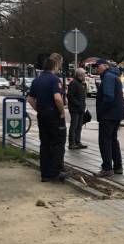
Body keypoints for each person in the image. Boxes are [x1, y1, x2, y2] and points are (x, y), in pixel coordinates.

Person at [27, 53, 66, 182]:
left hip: (42, 115)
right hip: (54, 115)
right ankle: (56, 172)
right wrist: (61, 112)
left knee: (45, 144)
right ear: (54, 66)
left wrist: (38, 109)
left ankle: (45, 174)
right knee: (58, 143)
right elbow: (57, 98)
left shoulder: (36, 80)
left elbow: (30, 98)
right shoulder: (54, 80)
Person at [94, 59, 124, 177]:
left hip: (108, 115)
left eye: (98, 66)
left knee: (105, 141)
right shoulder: (114, 76)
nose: (96, 68)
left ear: (105, 66)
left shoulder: (107, 77)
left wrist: (101, 111)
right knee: (113, 140)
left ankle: (107, 168)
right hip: (116, 114)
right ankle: (118, 166)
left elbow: (108, 97)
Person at [67, 68, 88, 150]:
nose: (84, 76)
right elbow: (70, 96)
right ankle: (71, 143)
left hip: (80, 109)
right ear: (79, 75)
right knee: (74, 126)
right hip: (75, 109)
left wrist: (83, 105)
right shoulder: (74, 83)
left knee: (79, 126)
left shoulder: (81, 83)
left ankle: (77, 142)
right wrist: (79, 104)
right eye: (83, 75)